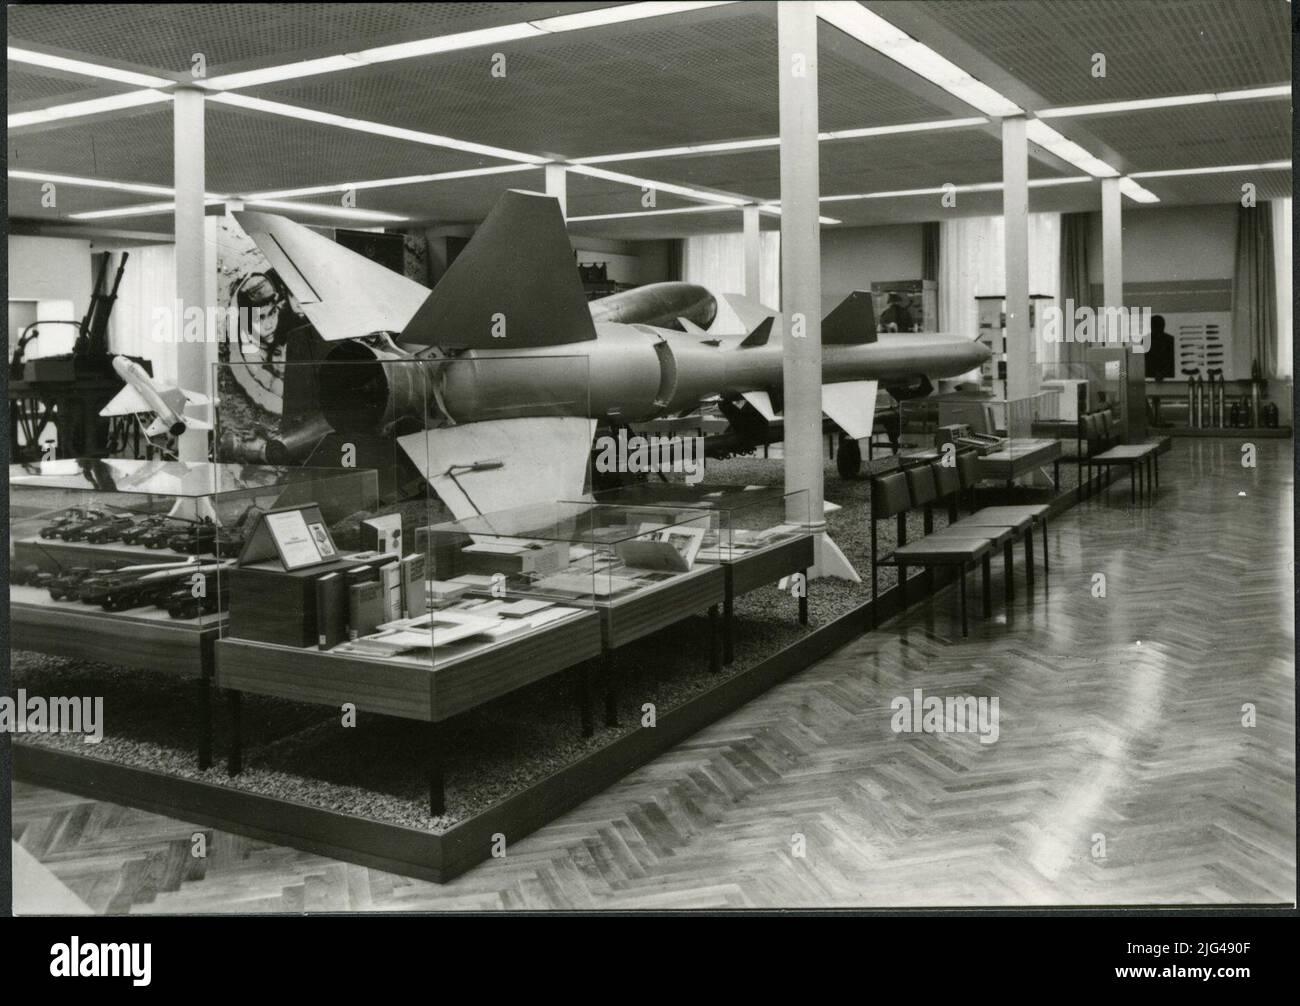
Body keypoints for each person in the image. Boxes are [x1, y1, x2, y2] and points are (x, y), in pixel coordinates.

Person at [1146, 314, 1175, 380]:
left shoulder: (1170, 340)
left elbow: (1171, 360)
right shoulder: (1170, 339)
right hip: (1152, 376)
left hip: (1165, 376)